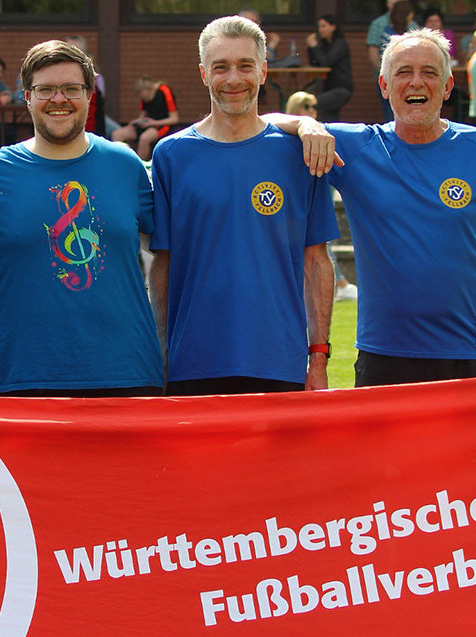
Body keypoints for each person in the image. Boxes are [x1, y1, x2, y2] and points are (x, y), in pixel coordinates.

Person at [312, 28, 476, 387]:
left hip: (471, 351)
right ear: (385, 86)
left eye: (429, 73)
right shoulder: (357, 147)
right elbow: (270, 128)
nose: (416, 82)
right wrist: (305, 125)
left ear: (448, 86)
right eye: (403, 72)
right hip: (386, 356)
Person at [150, 16, 340, 396]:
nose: (233, 79)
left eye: (245, 65)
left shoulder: (301, 153)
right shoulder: (171, 154)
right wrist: (161, 354)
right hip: (193, 363)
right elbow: (163, 265)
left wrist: (317, 357)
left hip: (279, 361)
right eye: (221, 67)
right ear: (204, 73)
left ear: (264, 71)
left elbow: (317, 261)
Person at [0, 40, 163, 396]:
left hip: (125, 374)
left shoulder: (125, 164)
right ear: (27, 96)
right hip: (17, 377)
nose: (59, 99)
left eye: (72, 88)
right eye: (45, 90)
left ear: (89, 95)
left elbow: (167, 251)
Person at [285, 90, 356, 302]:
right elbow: (264, 120)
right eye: (307, 107)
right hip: (296, 193)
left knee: (319, 239)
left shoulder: (323, 133)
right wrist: (303, 122)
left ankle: (341, 284)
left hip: (319, 181)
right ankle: (340, 285)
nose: (313, 111)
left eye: (315, 106)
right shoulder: (284, 137)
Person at [367, 0, 417, 122]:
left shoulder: (386, 32)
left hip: (389, 76)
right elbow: (372, 51)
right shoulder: (412, 32)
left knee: (390, 113)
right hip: (401, 78)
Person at [111, 76, 179, 161]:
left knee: (144, 138)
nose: (143, 99)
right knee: (117, 134)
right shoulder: (144, 98)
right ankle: (119, 162)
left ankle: (140, 165)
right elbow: (143, 114)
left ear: (149, 89)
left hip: (163, 124)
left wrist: (153, 123)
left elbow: (174, 119)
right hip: (147, 123)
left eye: (143, 95)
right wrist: (137, 122)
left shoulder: (164, 90)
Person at [305, 14, 352, 122]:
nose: (320, 29)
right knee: (331, 118)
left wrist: (314, 46)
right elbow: (316, 63)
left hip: (341, 89)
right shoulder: (326, 45)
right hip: (330, 88)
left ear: (333, 27)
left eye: (323, 26)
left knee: (309, 103)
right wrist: (311, 48)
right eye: (319, 27)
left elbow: (325, 62)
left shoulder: (340, 44)